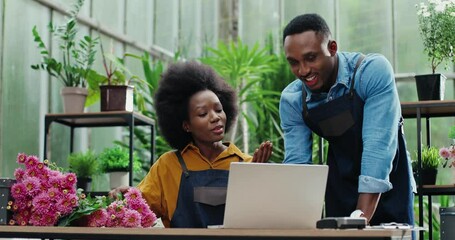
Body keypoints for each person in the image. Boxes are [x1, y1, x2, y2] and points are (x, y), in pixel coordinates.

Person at [279, 13, 415, 226]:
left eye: (311, 58)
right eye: (294, 63)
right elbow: (298, 167)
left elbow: (378, 148)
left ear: (332, 48)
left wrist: (358, 219)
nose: (303, 71)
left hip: (389, 182)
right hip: (340, 188)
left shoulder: (371, 72)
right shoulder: (293, 100)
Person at [110, 61, 272, 228]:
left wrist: (257, 175)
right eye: (203, 113)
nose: (215, 117)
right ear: (186, 125)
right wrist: (126, 197)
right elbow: (139, 210)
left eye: (218, 109)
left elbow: (267, 219)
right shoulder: (168, 166)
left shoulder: (247, 164)